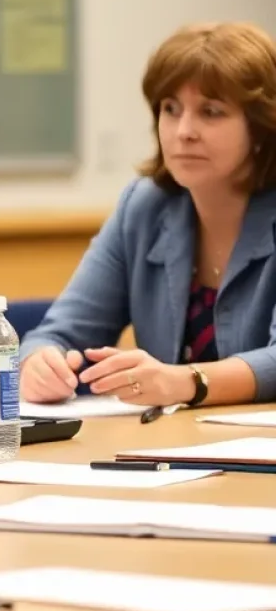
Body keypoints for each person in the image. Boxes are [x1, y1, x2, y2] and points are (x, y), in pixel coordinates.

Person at [20, 21, 276, 409]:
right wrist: (40, 364)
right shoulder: (144, 207)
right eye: (171, 109)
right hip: (172, 455)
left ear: (261, 127)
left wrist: (186, 382)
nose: (184, 131)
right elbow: (56, 334)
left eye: (211, 112)